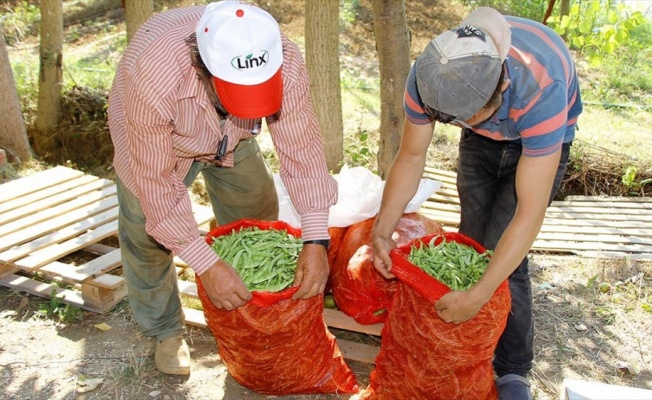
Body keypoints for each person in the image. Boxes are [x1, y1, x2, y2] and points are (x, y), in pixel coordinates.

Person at [107, 1, 337, 376]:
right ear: (204, 69)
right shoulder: (153, 73)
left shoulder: (281, 54)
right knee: (144, 231)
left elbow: (302, 147)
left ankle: (247, 307)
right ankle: (165, 330)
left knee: (256, 208)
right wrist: (205, 263)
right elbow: (156, 182)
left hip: (233, 132)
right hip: (158, 137)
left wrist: (316, 238)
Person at [371, 7, 582, 400]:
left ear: (500, 86)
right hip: (483, 142)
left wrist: (479, 294)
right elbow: (412, 156)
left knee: (504, 261)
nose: (465, 125)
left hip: (539, 141)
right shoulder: (433, 73)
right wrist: (382, 230)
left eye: (471, 116)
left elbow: (528, 212)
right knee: (471, 246)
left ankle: (513, 368)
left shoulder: (541, 86)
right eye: (456, 121)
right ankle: (471, 344)